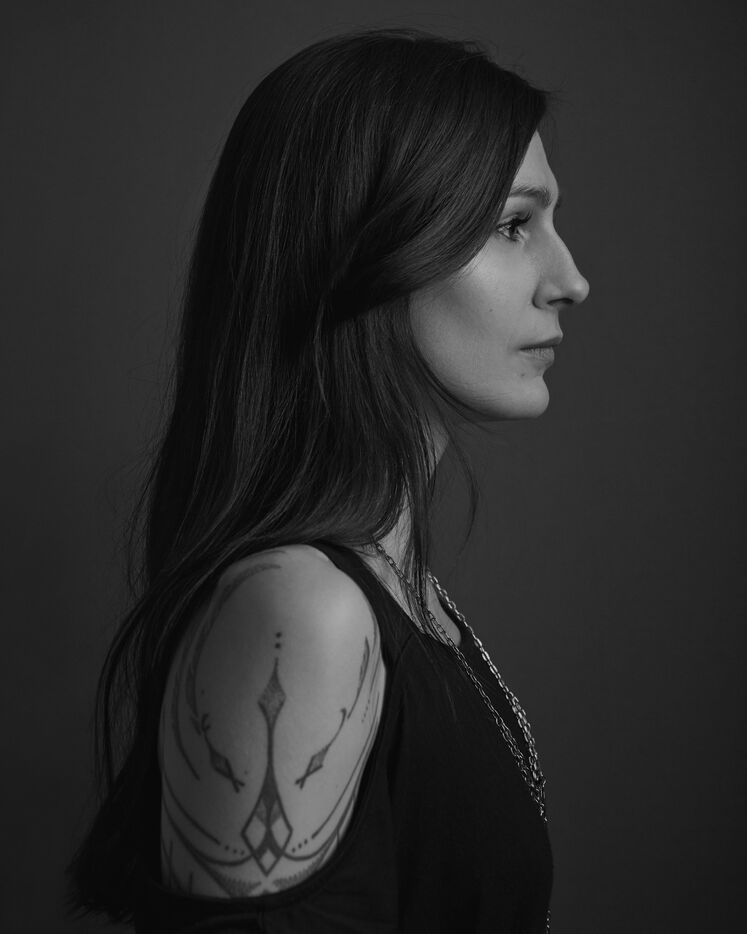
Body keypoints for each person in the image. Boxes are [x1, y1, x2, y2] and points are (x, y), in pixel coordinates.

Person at [65, 26, 590, 934]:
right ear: (364, 248)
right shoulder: (301, 610)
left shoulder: (402, 593)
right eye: (513, 225)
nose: (570, 280)